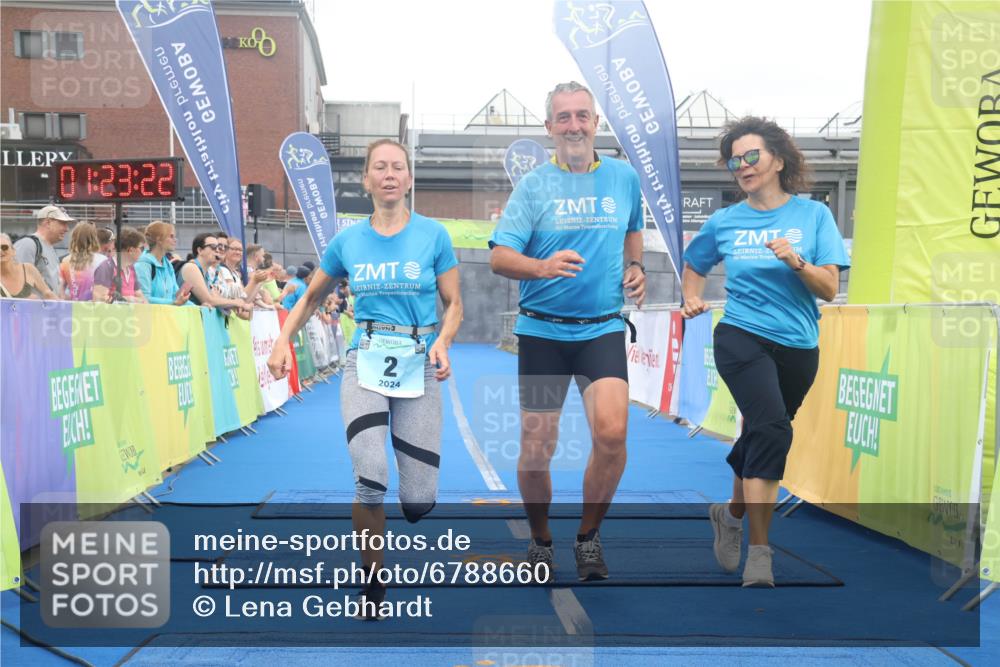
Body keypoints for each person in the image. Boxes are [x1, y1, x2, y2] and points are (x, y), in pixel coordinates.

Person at [267, 138, 462, 618]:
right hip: (366, 361)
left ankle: (413, 504)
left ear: (409, 179)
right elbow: (310, 298)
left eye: (398, 167)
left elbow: (454, 303)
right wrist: (281, 341)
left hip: (420, 360)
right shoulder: (347, 241)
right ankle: (372, 580)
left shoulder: (433, 235)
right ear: (368, 180)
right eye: (381, 167)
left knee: (418, 500)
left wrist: (444, 340)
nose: (390, 174)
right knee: (370, 479)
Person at [682, 116, 850, 587]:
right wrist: (691, 294)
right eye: (735, 160)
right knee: (771, 427)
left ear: (778, 159)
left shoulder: (813, 216)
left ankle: (730, 514)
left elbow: (831, 289)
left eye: (751, 156)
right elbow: (694, 265)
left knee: (764, 431)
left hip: (798, 343)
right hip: (740, 335)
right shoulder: (726, 220)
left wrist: (796, 261)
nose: (742, 166)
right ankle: (760, 552)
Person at [488, 81, 646, 582]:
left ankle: (588, 537)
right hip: (543, 334)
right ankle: (540, 540)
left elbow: (633, 228)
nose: (574, 125)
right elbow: (498, 257)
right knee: (537, 448)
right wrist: (541, 266)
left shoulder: (623, 178)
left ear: (596, 123)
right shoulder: (533, 186)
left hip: (601, 330)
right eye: (564, 117)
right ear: (549, 127)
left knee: (613, 434)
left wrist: (636, 264)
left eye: (583, 116)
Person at [178, 233, 252, 315]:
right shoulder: (191, 268)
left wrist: (237, 305)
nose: (218, 250)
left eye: (218, 247)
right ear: (200, 250)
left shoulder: (206, 273)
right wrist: (237, 303)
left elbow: (217, 300)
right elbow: (208, 300)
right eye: (213, 247)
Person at [14, 204, 74, 295]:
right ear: (48, 223)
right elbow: (17, 285)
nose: (67, 229)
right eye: (62, 223)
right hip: (32, 308)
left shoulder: (49, 248)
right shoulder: (28, 244)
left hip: (48, 308)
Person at [135, 221, 191, 306]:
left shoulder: (168, 266)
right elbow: (143, 299)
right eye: (171, 236)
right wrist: (173, 303)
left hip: (166, 316)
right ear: (159, 239)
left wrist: (200, 307)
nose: (175, 240)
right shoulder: (142, 265)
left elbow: (176, 296)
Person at [59, 222, 110, 302]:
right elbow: (103, 294)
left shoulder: (65, 261)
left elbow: (60, 293)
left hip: (74, 310)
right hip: (95, 310)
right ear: (94, 238)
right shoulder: (103, 261)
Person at [95, 227, 146, 303]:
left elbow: (141, 298)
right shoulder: (106, 268)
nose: (143, 252)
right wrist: (127, 300)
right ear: (130, 250)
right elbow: (99, 299)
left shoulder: (131, 268)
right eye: (142, 248)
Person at [0, 233, 57, 300]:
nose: (0, 251)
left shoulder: (28, 269)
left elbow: (48, 294)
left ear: (13, 251)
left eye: (4, 247)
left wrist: (64, 307)